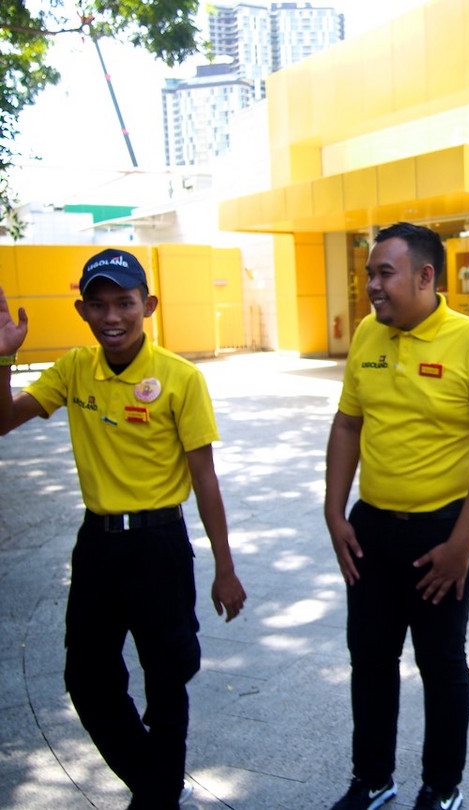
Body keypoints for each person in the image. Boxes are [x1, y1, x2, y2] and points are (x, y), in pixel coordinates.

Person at [0, 249, 246, 810]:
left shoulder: (180, 379)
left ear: (148, 306)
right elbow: (2, 422)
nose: (113, 317)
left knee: (166, 681)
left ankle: (156, 796)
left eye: (125, 303)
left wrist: (224, 569)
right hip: (98, 548)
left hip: (160, 547)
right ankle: (157, 784)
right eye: (100, 305)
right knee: (87, 681)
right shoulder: (72, 369)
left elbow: (205, 479)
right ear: (82, 309)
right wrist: (2, 359)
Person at [324, 222, 469, 810]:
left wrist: (462, 546)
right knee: (371, 658)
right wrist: (335, 514)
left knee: (440, 662)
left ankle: (441, 787)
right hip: (371, 529)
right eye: (369, 275)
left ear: (425, 275)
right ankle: (373, 779)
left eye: (385, 274)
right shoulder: (367, 334)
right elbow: (348, 425)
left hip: (445, 533)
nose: (372, 287)